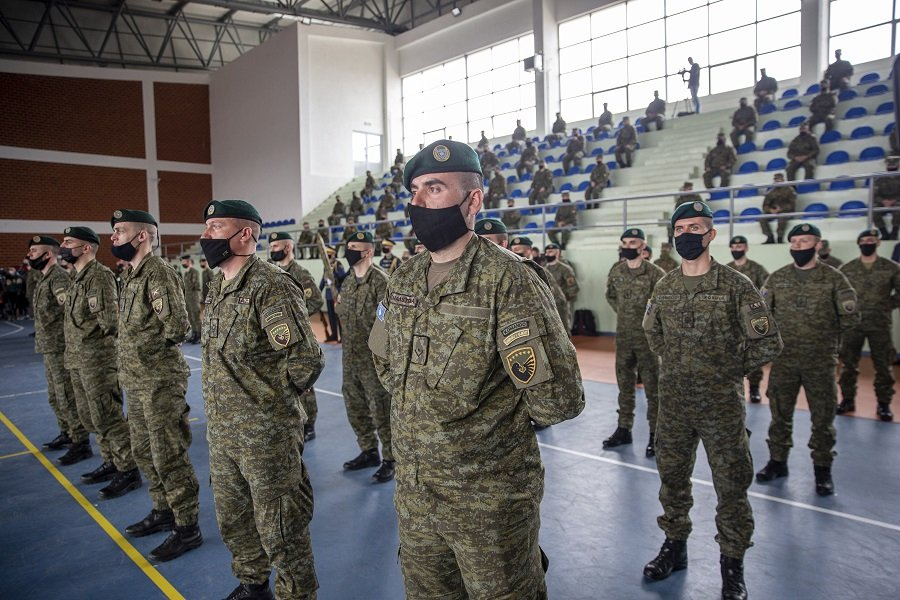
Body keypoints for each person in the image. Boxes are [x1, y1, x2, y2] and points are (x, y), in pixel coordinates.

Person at [369, 139, 585, 598]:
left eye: (434, 188)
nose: (418, 201)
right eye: (414, 191)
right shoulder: (404, 277)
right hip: (415, 493)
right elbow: (383, 356)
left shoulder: (509, 280)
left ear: (474, 200)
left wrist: (486, 430)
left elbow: (557, 398)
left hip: (488, 501)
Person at [642, 200, 782, 600]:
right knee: (672, 480)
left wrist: (726, 367)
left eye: (696, 228)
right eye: (681, 229)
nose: (687, 235)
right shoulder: (665, 285)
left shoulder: (737, 285)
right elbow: (652, 332)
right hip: (674, 405)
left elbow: (768, 341)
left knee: (731, 486)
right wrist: (676, 360)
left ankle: (732, 565)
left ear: (712, 234)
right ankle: (674, 546)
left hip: (721, 405)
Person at [200, 200, 324, 600]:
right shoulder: (217, 284)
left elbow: (305, 359)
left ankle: (296, 594)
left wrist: (269, 402)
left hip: (264, 436)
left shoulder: (269, 284)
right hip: (223, 432)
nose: (206, 236)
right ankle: (253, 585)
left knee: (281, 529)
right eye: (207, 227)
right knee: (234, 520)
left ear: (245, 235)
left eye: (215, 227)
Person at [109, 209, 202, 561]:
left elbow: (177, 325)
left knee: (168, 454)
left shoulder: (158, 272)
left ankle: (187, 526)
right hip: (136, 379)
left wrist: (146, 350)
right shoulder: (131, 276)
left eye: (121, 231)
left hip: (159, 379)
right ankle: (164, 510)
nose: (114, 237)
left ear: (142, 236)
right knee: (145, 452)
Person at [756, 223, 857, 498]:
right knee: (779, 415)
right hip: (784, 361)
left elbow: (851, 319)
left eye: (805, 241)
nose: (799, 246)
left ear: (818, 245)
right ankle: (778, 462)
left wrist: (830, 344)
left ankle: (822, 470)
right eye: (795, 242)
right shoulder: (777, 278)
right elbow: (761, 316)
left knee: (822, 418)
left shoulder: (835, 279)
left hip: (820, 362)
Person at [59, 227, 141, 492]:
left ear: (86, 248)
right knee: (92, 417)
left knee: (109, 417)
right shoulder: (78, 277)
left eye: (68, 242)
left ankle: (127, 469)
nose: (63, 245)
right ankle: (111, 461)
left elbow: (109, 322)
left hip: (98, 361)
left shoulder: (99, 277)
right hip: (78, 359)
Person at [335, 231, 394, 483]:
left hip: (374, 360)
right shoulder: (348, 281)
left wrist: (382, 356)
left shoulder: (381, 282)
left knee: (381, 410)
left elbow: (389, 323)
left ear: (368, 251)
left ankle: (391, 458)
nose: (349, 251)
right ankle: (368, 450)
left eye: (354, 247)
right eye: (348, 246)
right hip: (350, 358)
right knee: (355, 406)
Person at [604, 228, 666, 457]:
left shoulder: (655, 273)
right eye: (625, 242)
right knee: (625, 385)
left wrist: (649, 323)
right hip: (623, 337)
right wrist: (623, 312)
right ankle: (624, 428)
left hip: (647, 340)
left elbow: (662, 304)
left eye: (633, 242)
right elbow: (610, 295)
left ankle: (655, 434)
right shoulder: (617, 271)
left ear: (643, 247)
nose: (628, 246)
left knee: (653, 389)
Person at [27, 236, 84, 452]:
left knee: (65, 394)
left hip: (60, 346)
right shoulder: (44, 278)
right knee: (55, 395)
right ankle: (67, 432)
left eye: (34, 251)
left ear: (47, 254)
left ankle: (79, 439)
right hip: (49, 346)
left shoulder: (58, 278)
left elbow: (69, 310)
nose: (30, 255)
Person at [837, 229, 900, 421]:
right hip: (853, 324)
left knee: (883, 366)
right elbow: (838, 294)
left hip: (879, 324)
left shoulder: (891, 267)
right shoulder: (847, 269)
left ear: (878, 243)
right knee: (848, 364)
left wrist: (886, 305)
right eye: (863, 240)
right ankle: (847, 400)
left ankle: (884, 404)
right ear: (859, 244)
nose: (867, 243)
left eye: (871, 240)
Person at [269, 231, 326, 442]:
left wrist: (296, 319)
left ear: (288, 247)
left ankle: (309, 422)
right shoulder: (270, 271)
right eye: (271, 247)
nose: (272, 250)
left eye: (276, 247)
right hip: (277, 336)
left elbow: (316, 301)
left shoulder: (300, 274)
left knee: (303, 381)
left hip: (298, 337)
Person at [726, 236, 770, 403]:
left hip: (751, 318)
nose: (737, 249)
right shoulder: (726, 269)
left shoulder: (757, 269)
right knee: (729, 355)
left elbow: (766, 292)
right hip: (730, 320)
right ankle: (731, 389)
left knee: (753, 356)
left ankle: (754, 388)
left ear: (746, 247)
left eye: (740, 245)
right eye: (734, 246)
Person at [509, 236, 571, 344]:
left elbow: (559, 303)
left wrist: (563, 332)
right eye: (513, 250)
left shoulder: (540, 272)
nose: (515, 254)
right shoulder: (505, 273)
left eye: (519, 251)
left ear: (529, 251)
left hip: (539, 327)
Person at [544, 242, 579, 332]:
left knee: (563, 330)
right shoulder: (543, 269)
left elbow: (573, 288)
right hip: (546, 304)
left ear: (558, 253)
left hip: (561, 305)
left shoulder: (565, 269)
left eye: (550, 252)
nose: (547, 254)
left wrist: (564, 300)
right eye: (546, 252)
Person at [760, 172, 796, 244]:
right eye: (776, 180)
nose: (777, 181)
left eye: (779, 179)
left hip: (786, 211)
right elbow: (765, 205)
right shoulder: (771, 192)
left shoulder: (790, 190)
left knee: (782, 218)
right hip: (773, 211)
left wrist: (781, 209)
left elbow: (792, 205)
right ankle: (769, 237)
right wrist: (770, 210)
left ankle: (780, 238)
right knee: (762, 218)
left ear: (783, 179)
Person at [320, 246, 346, 342]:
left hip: (336, 294)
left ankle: (342, 337)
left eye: (329, 254)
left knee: (339, 316)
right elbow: (323, 280)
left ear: (333, 254)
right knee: (331, 316)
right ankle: (334, 335)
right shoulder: (326, 266)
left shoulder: (338, 265)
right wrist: (319, 291)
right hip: (328, 295)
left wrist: (334, 276)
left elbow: (342, 277)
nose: (327, 256)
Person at [873, 155, 900, 240]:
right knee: (875, 212)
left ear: (898, 165)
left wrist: (894, 201)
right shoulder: (880, 179)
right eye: (889, 165)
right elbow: (875, 194)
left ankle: (894, 233)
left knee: (898, 210)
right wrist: (883, 201)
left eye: (893, 165)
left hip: (897, 200)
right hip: (883, 202)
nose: (891, 166)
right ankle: (884, 233)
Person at [180, 255, 202, 343]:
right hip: (187, 297)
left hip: (194, 297)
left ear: (188, 261)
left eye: (183, 261)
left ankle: (199, 335)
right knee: (190, 317)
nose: (182, 263)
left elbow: (195, 285)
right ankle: (194, 333)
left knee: (196, 316)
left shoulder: (194, 272)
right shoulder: (186, 273)